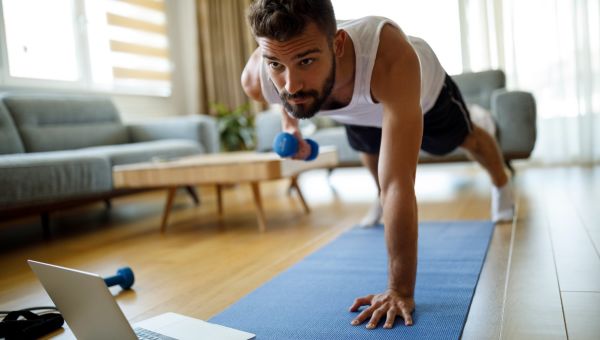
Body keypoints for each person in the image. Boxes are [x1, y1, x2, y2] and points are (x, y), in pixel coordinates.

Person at [241, 0, 514, 329]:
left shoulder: (388, 56)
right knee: (369, 151)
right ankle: (378, 198)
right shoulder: (260, 79)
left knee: (463, 140)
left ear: (337, 44)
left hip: (419, 93)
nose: (291, 84)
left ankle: (502, 185)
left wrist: (400, 290)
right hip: (352, 104)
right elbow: (283, 92)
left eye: (306, 60)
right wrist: (291, 127)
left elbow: (400, 183)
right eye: (276, 65)